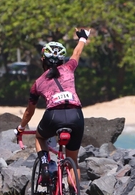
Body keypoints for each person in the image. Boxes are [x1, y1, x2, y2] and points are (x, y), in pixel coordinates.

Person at [17, 29, 90, 186]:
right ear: (62, 60)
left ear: (43, 60)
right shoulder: (69, 68)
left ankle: (44, 165)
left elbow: (29, 111)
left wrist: (21, 127)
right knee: (73, 160)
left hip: (53, 116)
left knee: (40, 137)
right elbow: (77, 53)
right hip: (76, 115)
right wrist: (83, 37)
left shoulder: (38, 83)